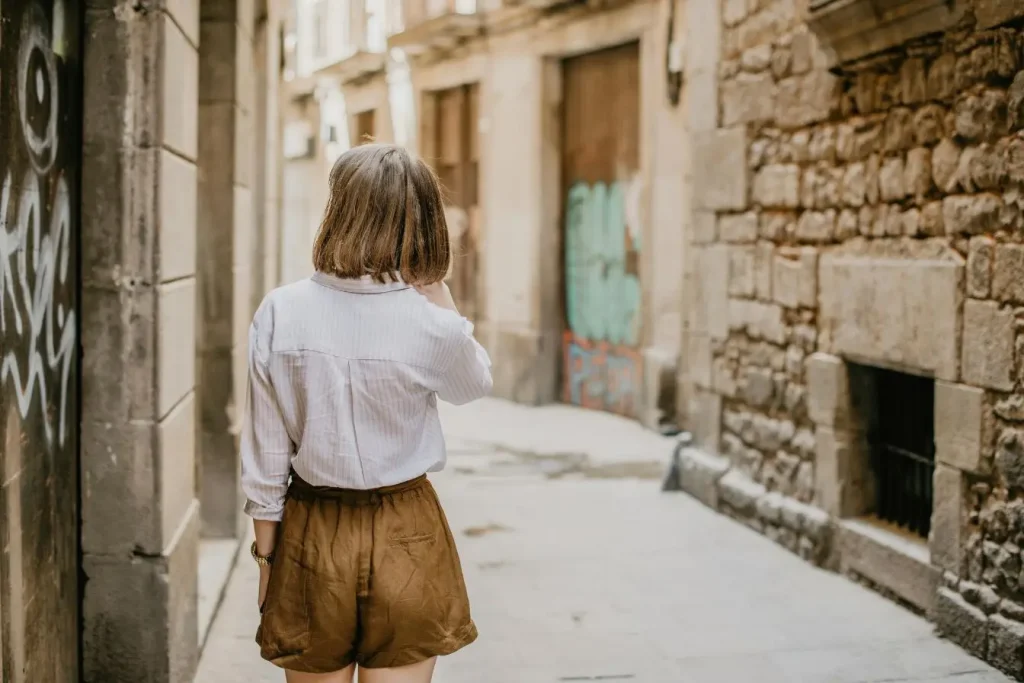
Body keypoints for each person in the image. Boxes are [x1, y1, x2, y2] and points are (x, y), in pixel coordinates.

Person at [240, 144, 493, 683]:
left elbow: (264, 459)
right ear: (421, 218)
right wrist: (438, 291)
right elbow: (474, 385)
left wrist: (266, 563)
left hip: (312, 527)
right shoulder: (432, 326)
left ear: (338, 211)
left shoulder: (280, 311)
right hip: (407, 527)